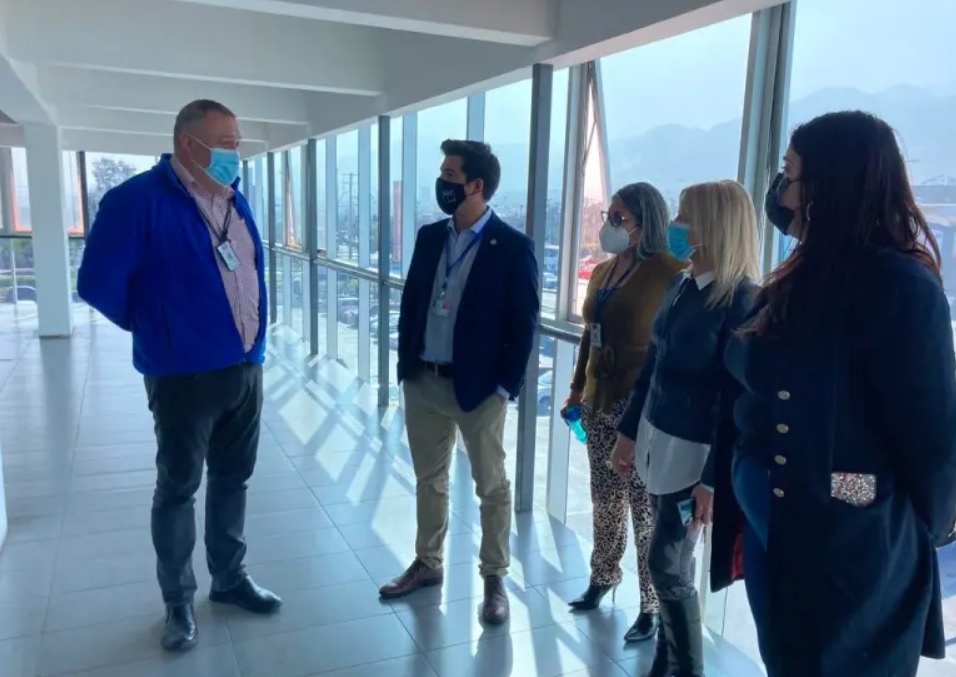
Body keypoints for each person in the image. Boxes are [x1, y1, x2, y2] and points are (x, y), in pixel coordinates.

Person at [718, 110, 956, 676]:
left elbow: (930, 443)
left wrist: (860, 498)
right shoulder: (802, 273)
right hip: (778, 526)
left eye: (790, 174)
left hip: (846, 546)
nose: (780, 191)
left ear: (831, 185)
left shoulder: (900, 287)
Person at [77, 100, 281, 653]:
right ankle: (178, 602)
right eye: (227, 142)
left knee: (233, 478)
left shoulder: (233, 199)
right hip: (182, 377)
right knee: (178, 489)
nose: (236, 152)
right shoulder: (135, 201)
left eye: (237, 142)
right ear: (189, 144)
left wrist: (254, 345)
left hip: (245, 367)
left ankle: (230, 579)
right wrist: (162, 328)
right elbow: (96, 284)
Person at [382, 140, 539, 624]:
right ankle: (427, 562)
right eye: (443, 173)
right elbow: (413, 302)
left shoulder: (512, 248)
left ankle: (494, 578)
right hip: (424, 381)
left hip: (479, 390)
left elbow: (524, 325)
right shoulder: (431, 237)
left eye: (450, 175)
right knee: (429, 479)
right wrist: (406, 366)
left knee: (491, 486)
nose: (442, 183)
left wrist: (505, 388)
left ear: (476, 185)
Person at [612, 180, 760, 677]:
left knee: (666, 565)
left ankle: (685, 669)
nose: (676, 225)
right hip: (659, 440)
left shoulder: (741, 299)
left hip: (696, 456)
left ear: (712, 226)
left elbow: (737, 402)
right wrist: (629, 432)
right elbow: (653, 366)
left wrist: (713, 481)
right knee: (669, 562)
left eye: (685, 216)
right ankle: (665, 664)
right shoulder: (680, 285)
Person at [562, 182, 686, 643]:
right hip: (598, 398)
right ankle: (603, 575)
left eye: (620, 219)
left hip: (638, 407)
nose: (610, 225)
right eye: (608, 217)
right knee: (604, 497)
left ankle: (651, 603)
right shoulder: (602, 271)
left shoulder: (670, 272)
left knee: (642, 507)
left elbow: (670, 346)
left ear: (644, 222)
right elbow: (588, 334)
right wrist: (577, 388)